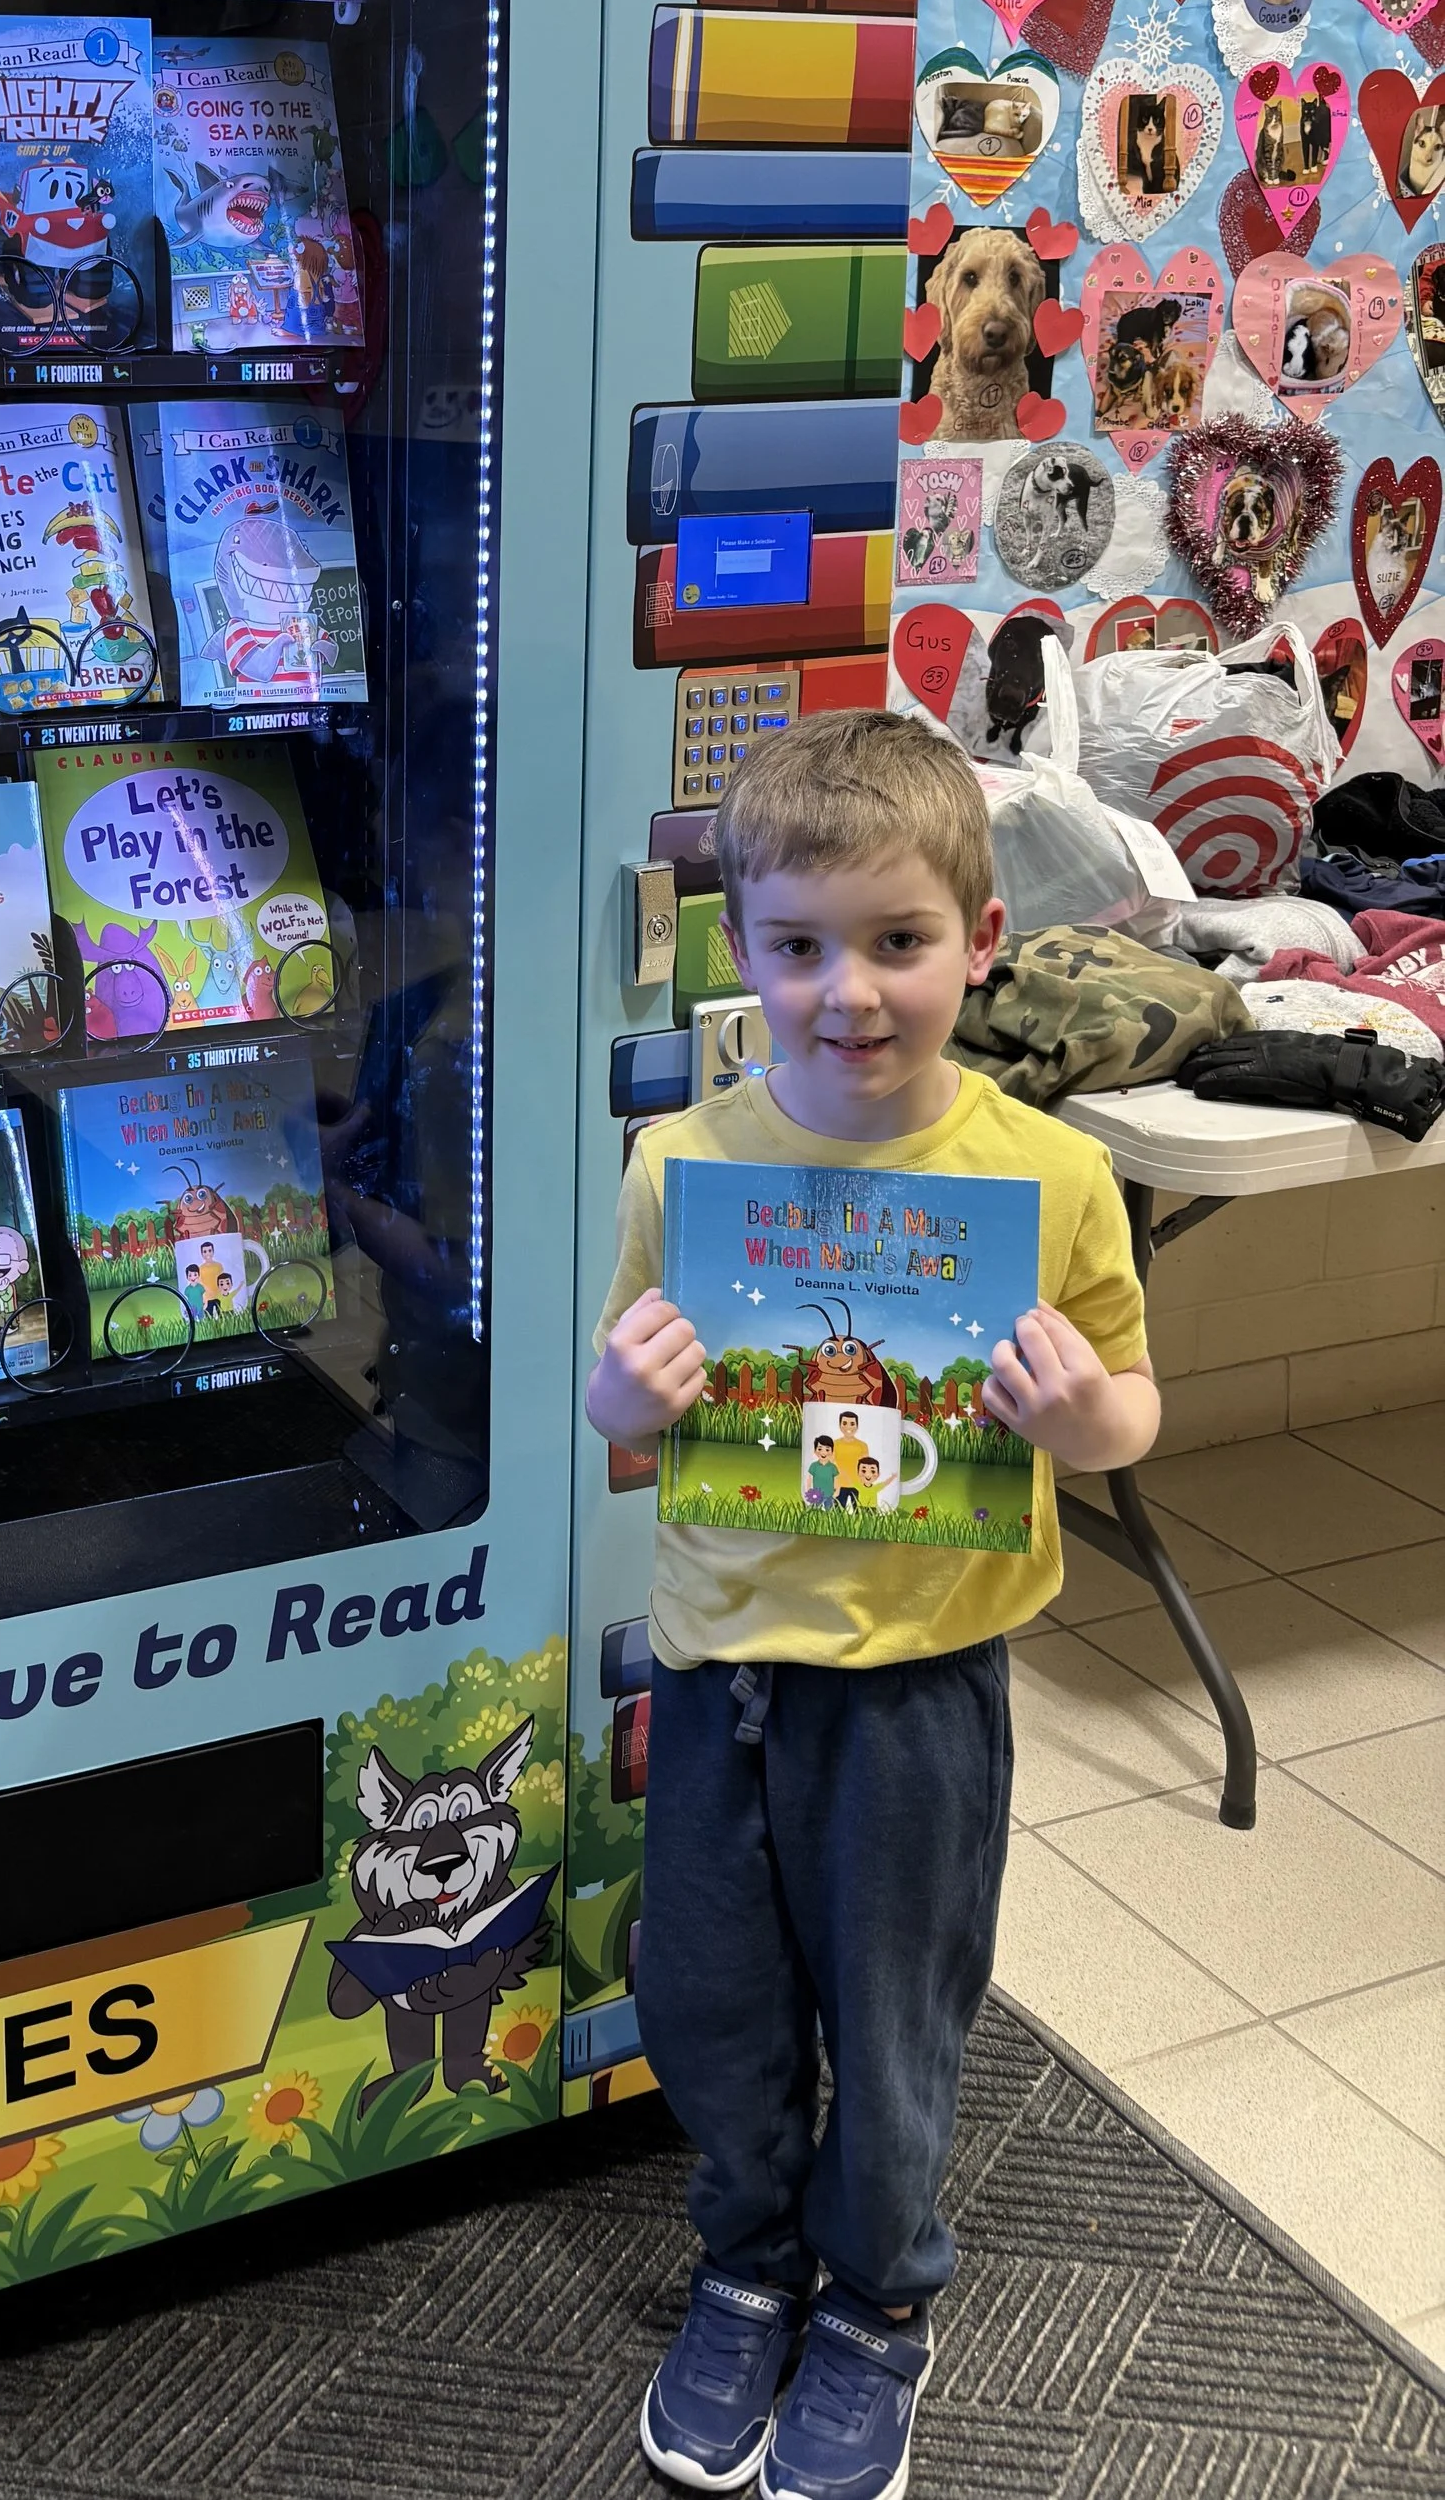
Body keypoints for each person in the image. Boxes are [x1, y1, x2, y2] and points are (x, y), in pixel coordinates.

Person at [588, 711, 1156, 2500]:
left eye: (899, 941)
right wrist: (624, 1403)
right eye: (800, 944)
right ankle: (749, 2261)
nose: (849, 992)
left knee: (896, 2013)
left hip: (921, 1685)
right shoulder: (685, 1168)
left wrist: (1083, 1423)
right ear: (739, 949)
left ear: (980, 941)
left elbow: (1130, 1404)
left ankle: (880, 2303)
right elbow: (622, 1440)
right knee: (707, 1997)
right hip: (721, 1670)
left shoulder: (1048, 1178)